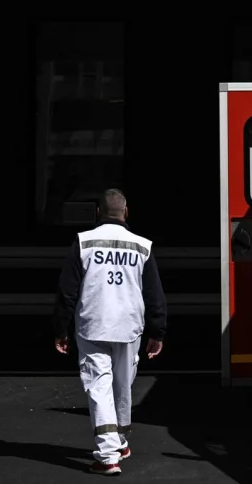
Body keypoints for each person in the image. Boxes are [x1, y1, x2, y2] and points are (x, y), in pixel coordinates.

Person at [52, 188, 167, 476]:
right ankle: (121, 442)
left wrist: (60, 329)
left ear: (97, 213)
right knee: (122, 388)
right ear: (126, 213)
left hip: (93, 325)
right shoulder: (142, 246)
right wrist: (158, 332)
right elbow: (154, 294)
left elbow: (67, 292)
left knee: (99, 387)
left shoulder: (84, 242)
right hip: (129, 326)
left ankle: (107, 455)